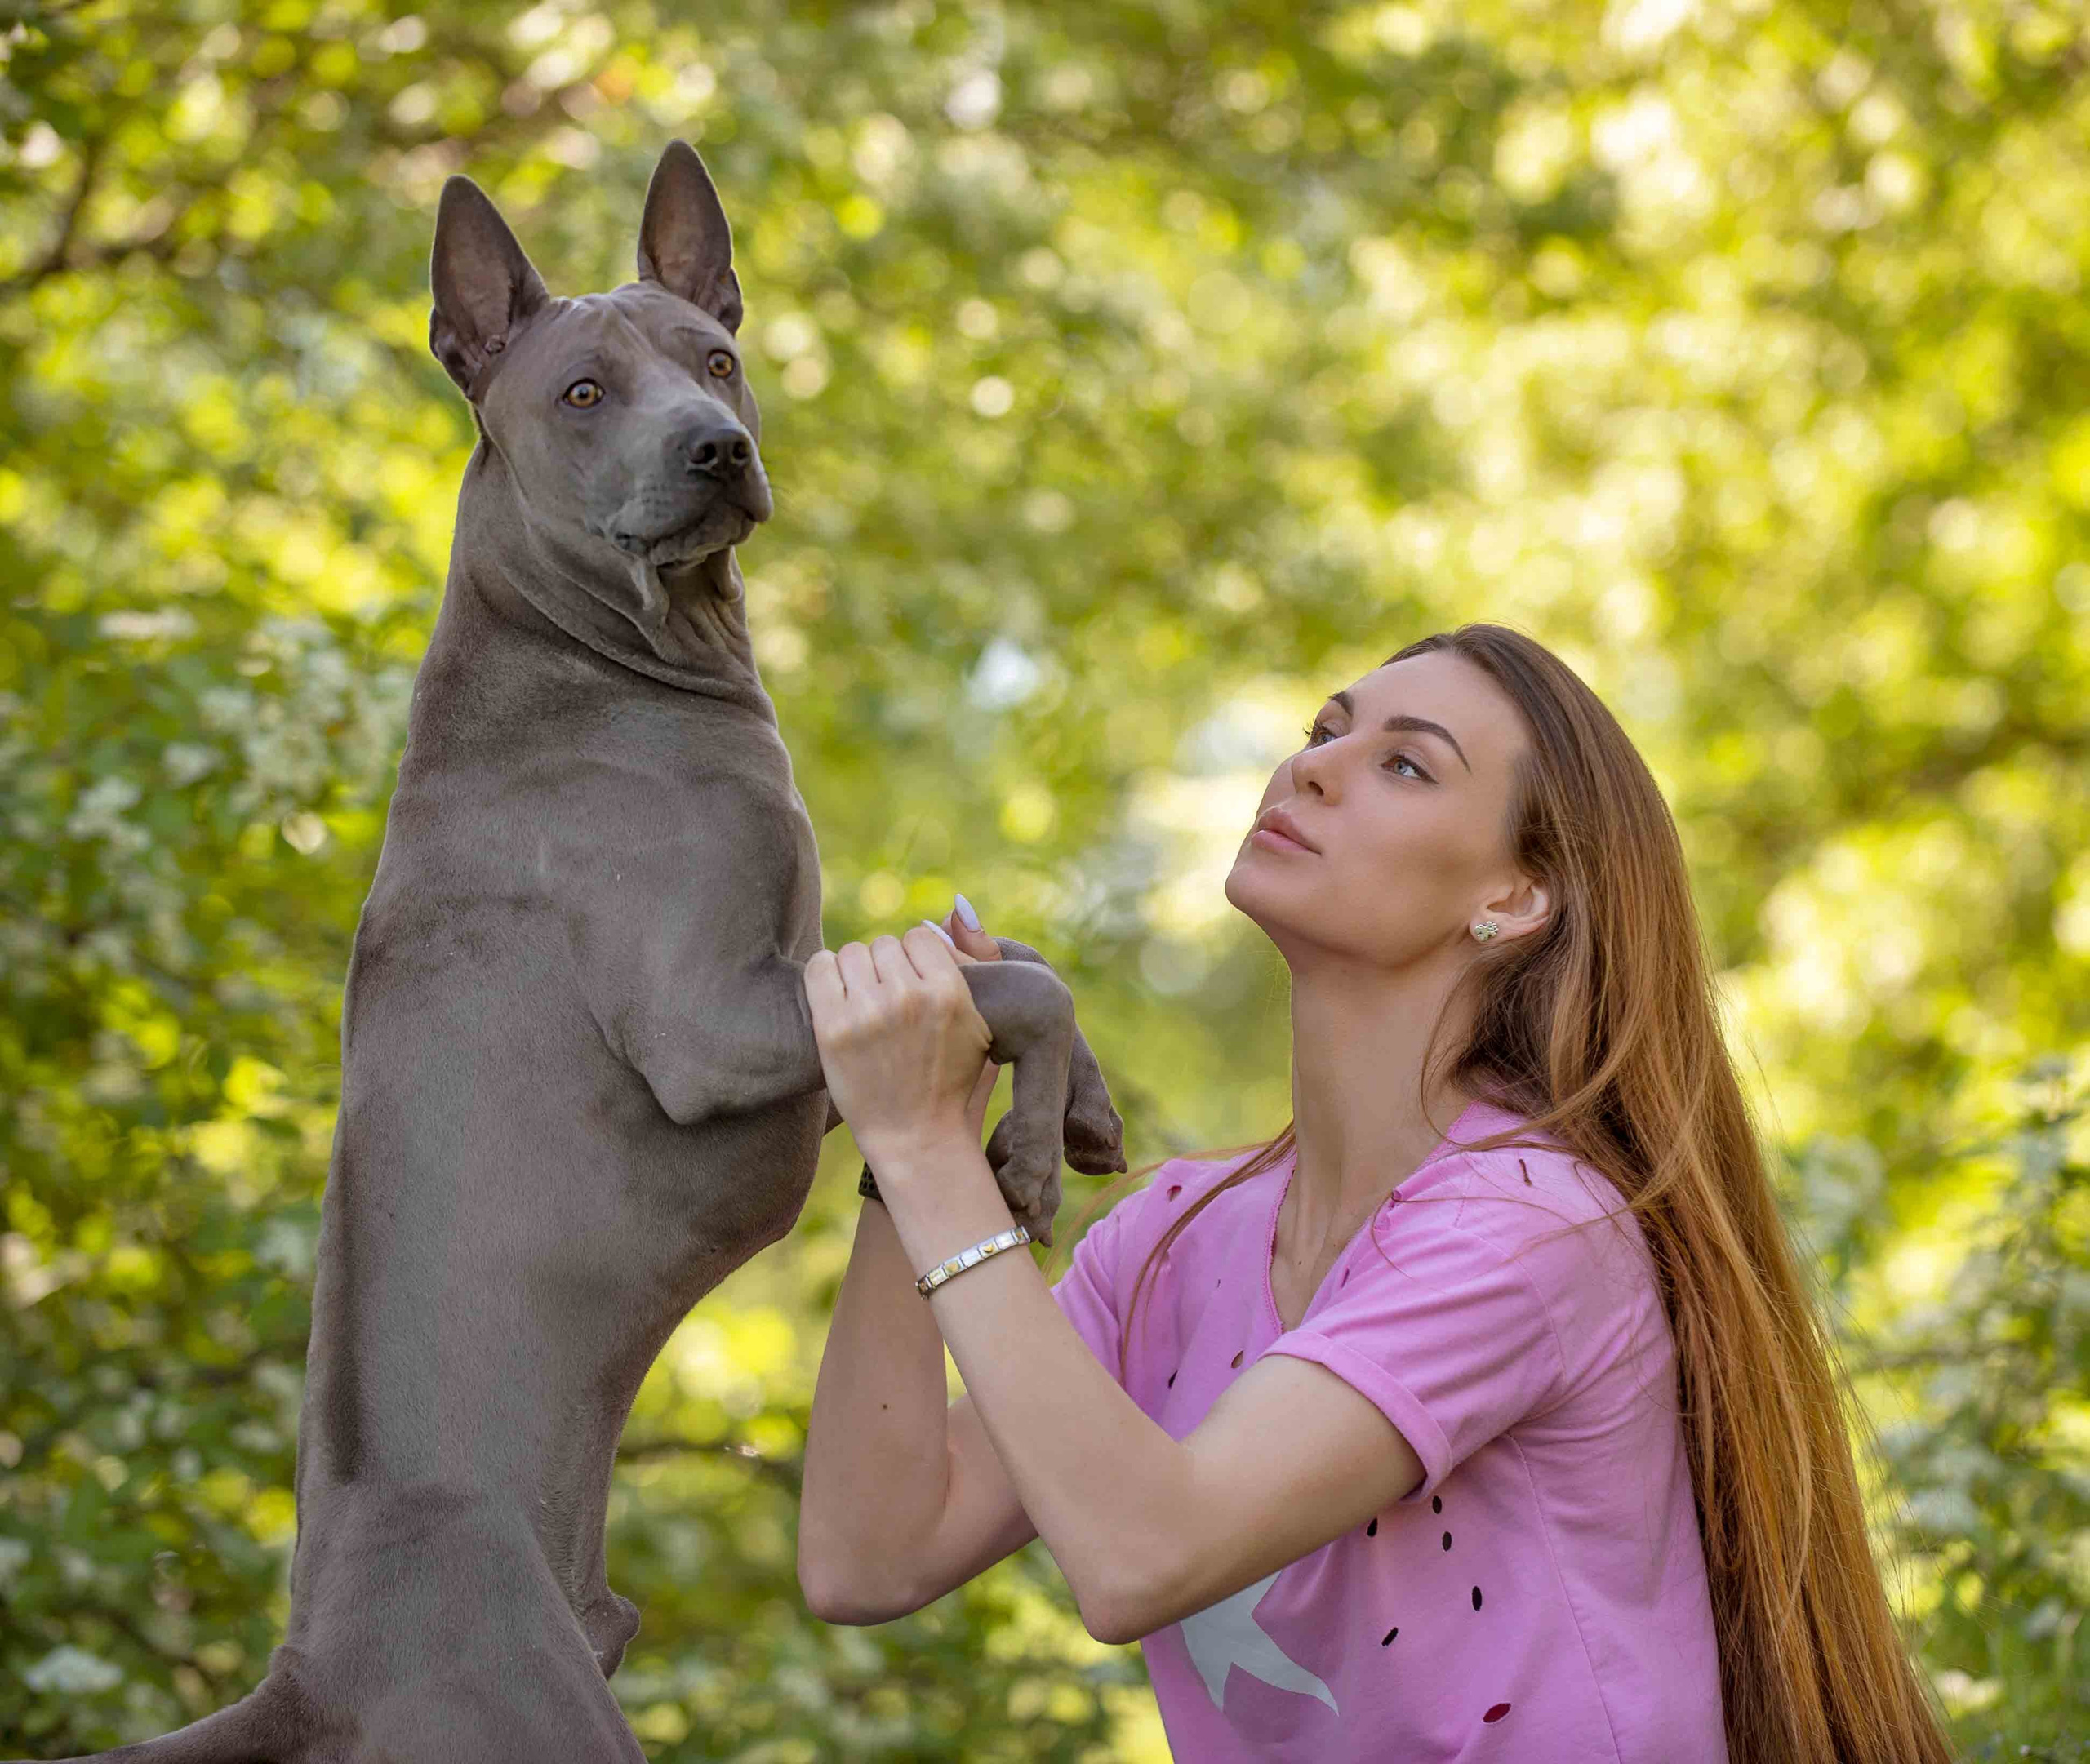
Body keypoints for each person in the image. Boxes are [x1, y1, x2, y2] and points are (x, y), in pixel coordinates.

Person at [795, 624, 1956, 1763]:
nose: (1310, 764)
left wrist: (928, 1149)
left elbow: (1144, 1551)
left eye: (1403, 763)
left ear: (1514, 897)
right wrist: (919, 1141)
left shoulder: (1531, 1228)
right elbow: (871, 1554)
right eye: (1325, 729)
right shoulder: (1172, 1241)